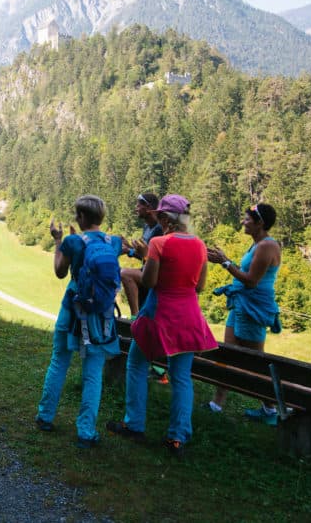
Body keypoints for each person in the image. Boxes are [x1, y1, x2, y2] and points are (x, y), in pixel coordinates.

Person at [107, 194, 217, 457]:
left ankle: (134, 424)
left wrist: (146, 257)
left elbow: (149, 281)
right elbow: (199, 286)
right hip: (189, 317)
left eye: (160, 215)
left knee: (136, 363)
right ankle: (177, 438)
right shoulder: (200, 246)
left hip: (160, 315)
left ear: (166, 219)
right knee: (181, 377)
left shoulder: (158, 243)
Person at [35, 195, 123, 449]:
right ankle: (86, 431)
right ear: (101, 218)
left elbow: (60, 272)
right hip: (99, 317)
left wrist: (58, 240)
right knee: (93, 374)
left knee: (59, 361)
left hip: (71, 310)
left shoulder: (73, 241)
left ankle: (45, 416)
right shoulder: (113, 242)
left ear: (81, 217)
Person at [206, 203, 282, 423]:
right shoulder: (257, 245)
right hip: (242, 305)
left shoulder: (267, 246)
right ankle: (216, 404)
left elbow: (251, 281)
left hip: (253, 309)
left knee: (255, 363)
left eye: (247, 219)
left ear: (260, 222)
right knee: (227, 355)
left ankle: (270, 410)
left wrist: (225, 262)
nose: (243, 222)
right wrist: (225, 260)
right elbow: (247, 273)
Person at [120, 192, 161, 316]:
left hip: (155, 274)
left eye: (139, 205)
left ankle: (134, 316)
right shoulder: (147, 226)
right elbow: (144, 254)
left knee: (124, 274)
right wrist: (130, 247)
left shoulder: (158, 229)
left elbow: (152, 257)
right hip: (145, 269)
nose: (136, 208)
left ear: (148, 208)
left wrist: (130, 251)